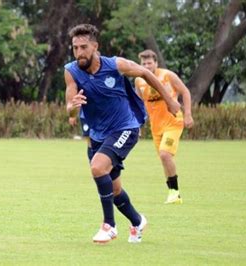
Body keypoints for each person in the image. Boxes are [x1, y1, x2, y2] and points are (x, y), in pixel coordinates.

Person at [64, 24, 181, 244]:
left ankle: (109, 225)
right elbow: (69, 106)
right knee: (114, 189)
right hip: (98, 136)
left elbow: (146, 72)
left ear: (95, 47)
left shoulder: (115, 65)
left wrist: (170, 100)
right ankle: (137, 221)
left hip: (125, 128)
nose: (79, 52)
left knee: (98, 167)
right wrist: (73, 106)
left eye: (83, 47)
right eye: (75, 48)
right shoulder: (71, 71)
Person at [135, 49, 194, 204]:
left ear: (156, 63)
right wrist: (138, 125)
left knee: (164, 154)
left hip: (173, 121)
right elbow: (139, 104)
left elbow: (185, 92)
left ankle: (175, 192)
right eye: (144, 63)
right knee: (164, 159)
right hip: (156, 126)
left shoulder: (167, 76)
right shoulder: (139, 81)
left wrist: (188, 114)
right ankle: (173, 193)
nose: (147, 66)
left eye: (149, 63)